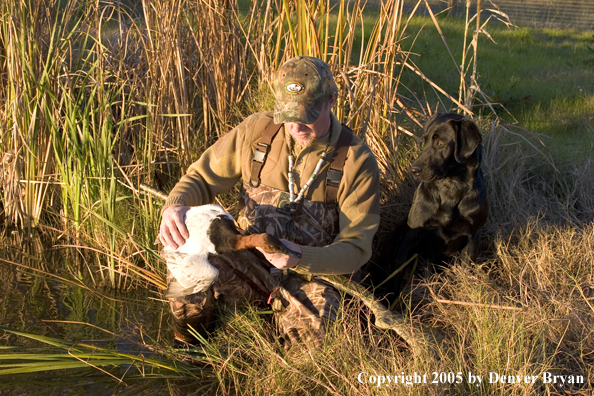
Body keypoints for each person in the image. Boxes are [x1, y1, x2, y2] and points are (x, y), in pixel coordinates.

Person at [158, 56, 380, 347]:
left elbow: (356, 249)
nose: (297, 128)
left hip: (312, 279)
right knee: (187, 264)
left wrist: (301, 257)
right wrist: (174, 205)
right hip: (249, 262)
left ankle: (271, 342)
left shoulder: (356, 159)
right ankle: (192, 351)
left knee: (317, 337)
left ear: (331, 101)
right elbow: (202, 177)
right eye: (289, 115)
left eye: (308, 116)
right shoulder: (257, 130)